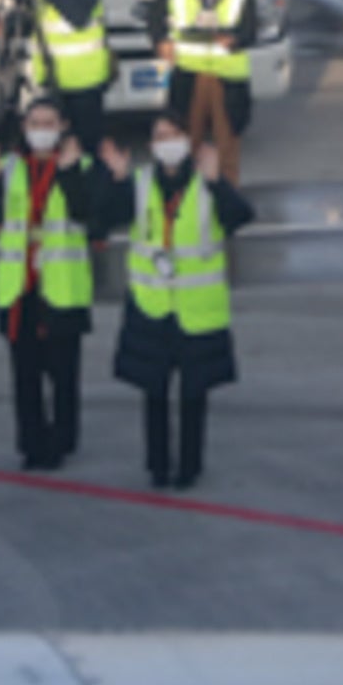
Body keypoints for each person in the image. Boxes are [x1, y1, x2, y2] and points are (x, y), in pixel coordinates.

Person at [95, 111, 253, 489]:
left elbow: (240, 217)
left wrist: (218, 183)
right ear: (151, 146)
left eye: (175, 134)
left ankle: (189, 466)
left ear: (188, 142)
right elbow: (102, 219)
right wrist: (115, 179)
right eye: (160, 136)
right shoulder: (140, 183)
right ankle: (158, 465)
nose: (168, 143)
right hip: (152, 306)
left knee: (194, 394)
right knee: (154, 392)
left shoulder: (205, 183)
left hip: (197, 308)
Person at [0, 94, 94, 470]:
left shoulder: (81, 165)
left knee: (62, 372)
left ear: (63, 128)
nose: (41, 132)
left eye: (48, 124)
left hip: (62, 284)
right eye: (34, 124)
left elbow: (87, 212)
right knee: (24, 373)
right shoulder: (10, 167)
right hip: (19, 285)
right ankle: (31, 442)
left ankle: (62, 439)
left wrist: (71, 172)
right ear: (23, 129)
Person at [152, 0, 260, 186]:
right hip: (190, 72)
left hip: (227, 74)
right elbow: (154, 14)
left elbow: (251, 27)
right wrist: (161, 41)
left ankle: (227, 201)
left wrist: (236, 39)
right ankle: (185, 196)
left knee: (228, 145)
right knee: (187, 140)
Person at [24, 0, 110, 154]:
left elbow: (78, 16)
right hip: (52, 79)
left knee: (85, 150)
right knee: (52, 149)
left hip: (84, 81)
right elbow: (37, 21)